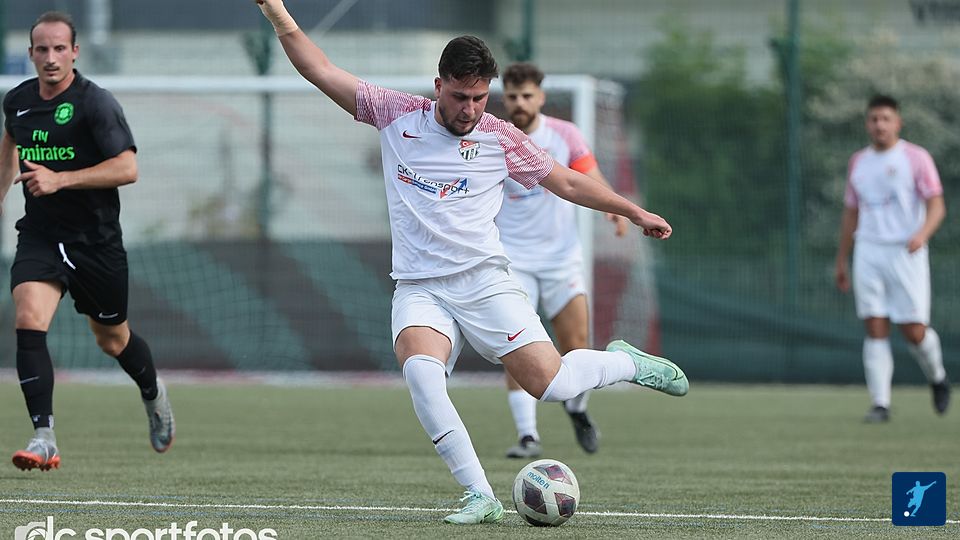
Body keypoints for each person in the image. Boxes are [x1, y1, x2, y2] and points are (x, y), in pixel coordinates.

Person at [255, 0, 688, 525]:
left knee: (552, 385)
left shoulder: (500, 137)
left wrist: (633, 210)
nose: (470, 109)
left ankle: (626, 363)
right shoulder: (394, 113)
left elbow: (568, 183)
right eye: (460, 97)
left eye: (480, 98)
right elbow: (319, 69)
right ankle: (480, 495)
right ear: (438, 86)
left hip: (484, 282)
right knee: (421, 373)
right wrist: (277, 11)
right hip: (419, 287)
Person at [0, 11, 175, 471]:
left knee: (112, 340)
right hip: (40, 236)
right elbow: (9, 145)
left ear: (74, 52)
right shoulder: (17, 101)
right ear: (30, 53)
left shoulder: (95, 103)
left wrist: (60, 179)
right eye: (42, 49)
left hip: (95, 242)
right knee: (28, 318)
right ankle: (44, 437)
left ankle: (153, 392)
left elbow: (128, 168)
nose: (51, 57)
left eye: (60, 48)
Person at [495, 62, 629, 458]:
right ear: (505, 98)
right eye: (513, 96)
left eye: (527, 95)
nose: (520, 103)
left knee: (577, 345)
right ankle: (528, 436)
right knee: (516, 346)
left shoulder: (564, 135)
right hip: (512, 260)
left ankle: (576, 409)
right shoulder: (493, 137)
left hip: (561, 260)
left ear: (541, 97)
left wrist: (616, 209)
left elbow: (588, 176)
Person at [835, 94, 950, 423]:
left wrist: (922, 234)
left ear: (898, 122)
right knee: (874, 325)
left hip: (905, 251)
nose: (879, 125)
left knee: (913, 330)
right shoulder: (859, 161)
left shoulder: (915, 157)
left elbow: (936, 204)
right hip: (869, 250)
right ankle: (880, 404)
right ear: (867, 124)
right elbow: (851, 212)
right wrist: (842, 259)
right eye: (874, 119)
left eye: (885, 118)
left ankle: (938, 377)